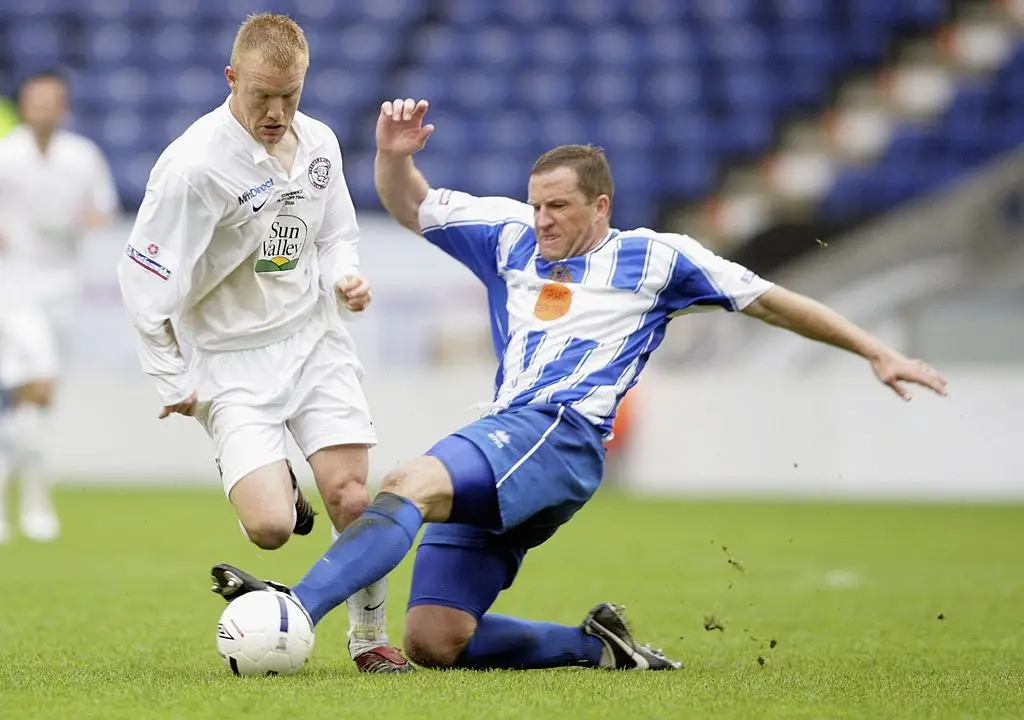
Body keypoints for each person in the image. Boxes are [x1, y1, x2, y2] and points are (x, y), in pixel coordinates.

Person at [209, 98, 949, 671]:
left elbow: (774, 301)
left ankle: (292, 609)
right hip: (508, 440)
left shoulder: (660, 259)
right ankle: (597, 646)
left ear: (601, 206)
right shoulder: (508, 237)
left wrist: (874, 350)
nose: (541, 220)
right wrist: (392, 157)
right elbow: (411, 205)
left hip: (557, 434)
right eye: (535, 204)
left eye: (558, 206)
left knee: (408, 481)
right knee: (437, 638)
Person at [116, 15, 411, 673]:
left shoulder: (320, 145)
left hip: (312, 337)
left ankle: (370, 640)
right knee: (271, 529)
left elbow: (335, 235)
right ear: (231, 79)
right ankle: (281, 484)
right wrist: (170, 380)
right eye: (261, 97)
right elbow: (140, 279)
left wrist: (345, 278)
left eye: (291, 96)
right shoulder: (193, 169)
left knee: (354, 497)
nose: (277, 113)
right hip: (227, 362)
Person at [0, 69, 117, 543]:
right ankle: (35, 505)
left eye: (52, 101)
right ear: (25, 105)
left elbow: (103, 206)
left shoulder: (81, 156)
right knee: (38, 389)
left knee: (28, 408)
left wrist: (86, 219)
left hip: (62, 290)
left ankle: (18, 505)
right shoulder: (6, 155)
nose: (44, 108)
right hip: (15, 288)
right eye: (36, 100)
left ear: (62, 106)